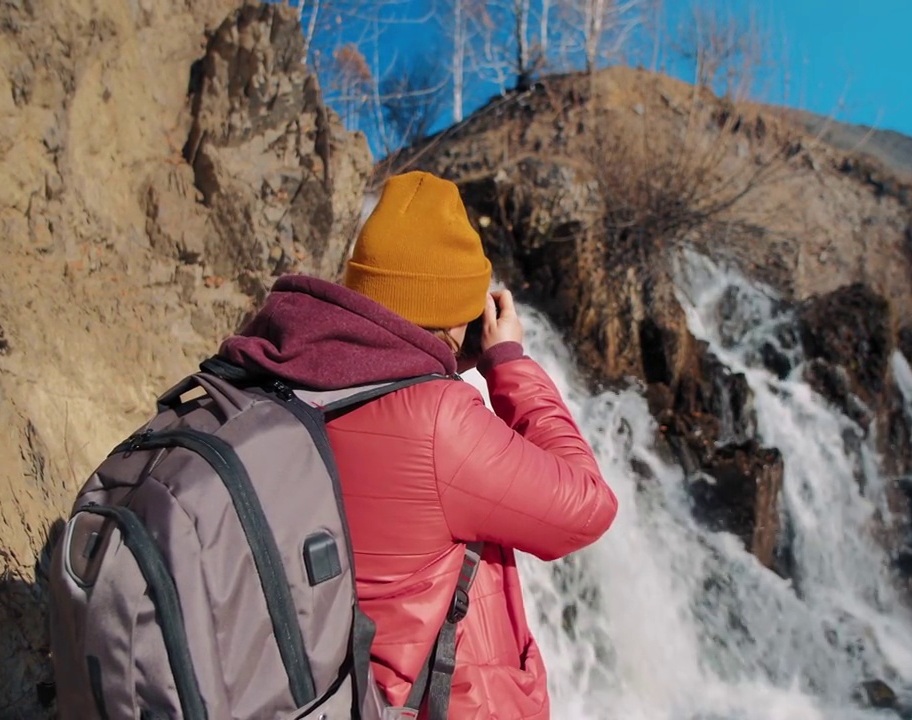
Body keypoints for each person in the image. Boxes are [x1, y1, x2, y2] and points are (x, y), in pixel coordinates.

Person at [217, 170, 619, 719]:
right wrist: (509, 365)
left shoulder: (283, 373)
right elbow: (588, 505)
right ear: (458, 313)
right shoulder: (439, 424)